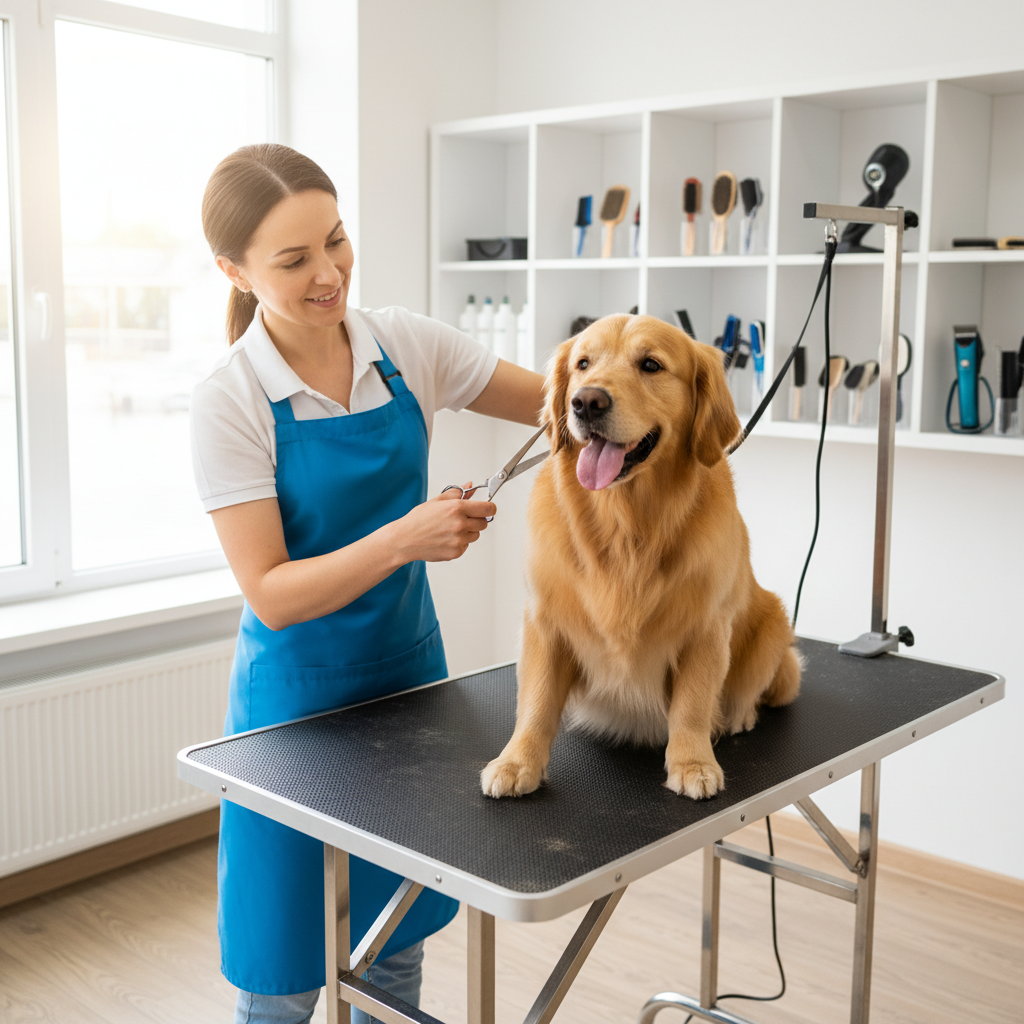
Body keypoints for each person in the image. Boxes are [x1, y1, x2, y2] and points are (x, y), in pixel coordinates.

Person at [192, 143, 544, 1024]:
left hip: (407, 690)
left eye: (337, 241)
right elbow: (270, 590)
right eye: (295, 258)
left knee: (390, 961)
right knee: (281, 984)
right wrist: (403, 538)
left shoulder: (404, 345)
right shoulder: (230, 401)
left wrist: (654, 382)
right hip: (290, 718)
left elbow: (554, 404)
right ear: (234, 270)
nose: (329, 273)